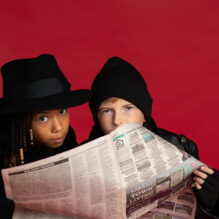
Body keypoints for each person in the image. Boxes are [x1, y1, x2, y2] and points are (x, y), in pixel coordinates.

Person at [87, 56, 219, 218]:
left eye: (128, 108)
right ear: (97, 117)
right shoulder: (81, 155)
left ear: (144, 115)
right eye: (106, 111)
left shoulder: (179, 148)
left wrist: (212, 203)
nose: (117, 120)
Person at [0, 54, 92, 218]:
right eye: (43, 118)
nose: (58, 127)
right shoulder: (4, 147)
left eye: (62, 111)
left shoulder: (66, 138)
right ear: (22, 121)